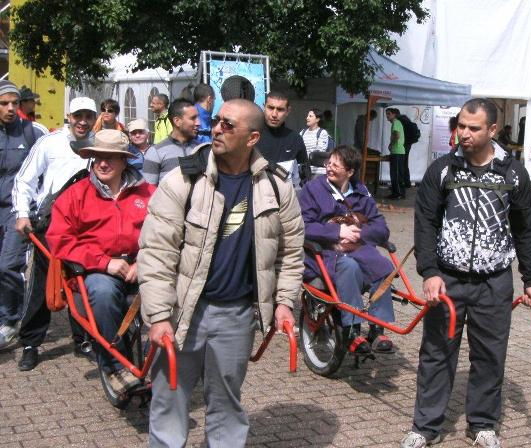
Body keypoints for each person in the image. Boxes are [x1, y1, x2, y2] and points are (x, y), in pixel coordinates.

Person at [137, 98, 305, 447]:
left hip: (236, 316)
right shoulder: (183, 179)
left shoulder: (277, 186)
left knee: (226, 405)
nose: (216, 128)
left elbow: (290, 253)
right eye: (216, 120)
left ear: (252, 138)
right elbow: (156, 253)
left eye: (229, 125)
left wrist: (285, 302)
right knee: (170, 400)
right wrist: (157, 316)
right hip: (182, 312)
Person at [402, 98, 531, 448]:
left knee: (490, 356)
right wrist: (429, 271)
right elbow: (426, 222)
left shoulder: (513, 173)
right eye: (460, 125)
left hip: (494, 282)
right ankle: (425, 427)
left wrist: (530, 278)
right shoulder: (443, 170)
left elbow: (525, 228)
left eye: (473, 127)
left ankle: (482, 425)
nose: (463, 133)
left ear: (492, 130)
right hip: (446, 281)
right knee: (436, 353)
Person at [46, 130, 155, 394]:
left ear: (124, 161)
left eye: (111, 158)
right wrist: (105, 262)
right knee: (104, 292)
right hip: (95, 270)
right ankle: (114, 367)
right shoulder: (75, 195)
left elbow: (165, 231)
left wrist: (144, 260)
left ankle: (165, 365)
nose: (103, 163)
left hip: (144, 264)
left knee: (178, 292)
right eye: (97, 158)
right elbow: (59, 239)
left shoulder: (149, 193)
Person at [13, 96, 98, 371]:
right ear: (69, 117)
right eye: (78, 116)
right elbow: (24, 180)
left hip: (86, 225)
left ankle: (83, 338)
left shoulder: (100, 143)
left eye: (88, 116)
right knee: (42, 281)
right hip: (50, 221)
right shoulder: (49, 142)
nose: (83, 122)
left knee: (80, 281)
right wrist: (23, 213)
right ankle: (30, 342)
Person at [299, 145, 396, 354]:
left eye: (336, 164)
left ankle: (378, 329)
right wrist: (337, 232)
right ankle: (352, 330)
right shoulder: (312, 189)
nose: (329, 167)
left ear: (350, 172)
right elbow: (303, 226)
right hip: (324, 252)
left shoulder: (361, 192)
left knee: (384, 266)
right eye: (329, 162)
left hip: (357, 248)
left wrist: (360, 234)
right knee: (349, 266)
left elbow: (381, 228)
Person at [0, 81, 48, 349]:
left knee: (8, 265)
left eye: (14, 103)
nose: (10, 108)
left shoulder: (33, 133)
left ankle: (10, 321)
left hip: (17, 211)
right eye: (4, 103)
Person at [256, 91, 310, 188]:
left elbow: (305, 173)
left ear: (288, 111)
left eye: (280, 109)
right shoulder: (252, 136)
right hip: (256, 197)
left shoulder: (296, 139)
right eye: (271, 108)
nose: (274, 114)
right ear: (264, 107)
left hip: (287, 198)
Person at [142, 98, 200, 185]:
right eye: (193, 118)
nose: (198, 123)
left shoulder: (201, 149)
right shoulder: (155, 152)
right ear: (177, 121)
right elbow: (150, 192)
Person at [300, 109, 330, 177]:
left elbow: (320, 152)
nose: (307, 118)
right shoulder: (303, 132)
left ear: (317, 119)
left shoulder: (322, 132)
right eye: (307, 116)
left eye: (310, 116)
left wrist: (307, 157)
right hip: (304, 169)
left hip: (316, 171)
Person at [385, 108, 405, 200]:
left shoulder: (396, 122)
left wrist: (391, 144)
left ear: (394, 114)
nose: (387, 116)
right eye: (387, 114)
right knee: (396, 173)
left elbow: (397, 135)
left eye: (389, 114)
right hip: (397, 151)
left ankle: (398, 194)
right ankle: (396, 192)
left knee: (396, 174)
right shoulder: (396, 123)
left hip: (397, 151)